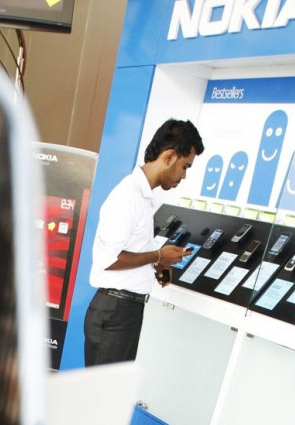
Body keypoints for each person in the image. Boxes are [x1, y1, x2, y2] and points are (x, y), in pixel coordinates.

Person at [83, 118, 204, 367]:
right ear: (169, 156)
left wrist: (156, 266)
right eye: (185, 167)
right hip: (113, 313)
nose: (183, 175)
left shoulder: (144, 197)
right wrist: (158, 256)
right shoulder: (128, 196)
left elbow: (131, 251)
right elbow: (110, 259)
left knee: (112, 401)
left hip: (124, 313)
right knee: (103, 402)